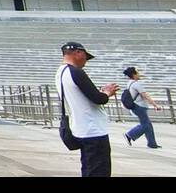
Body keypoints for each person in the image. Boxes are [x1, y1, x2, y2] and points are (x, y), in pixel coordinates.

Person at [56, 41, 118, 177]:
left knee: (89, 168)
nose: (85, 61)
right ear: (78, 53)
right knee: (98, 171)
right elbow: (98, 98)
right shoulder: (76, 72)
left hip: (80, 128)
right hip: (93, 130)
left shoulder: (61, 72)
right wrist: (107, 92)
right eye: (85, 57)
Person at [122, 66, 162, 149]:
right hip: (139, 106)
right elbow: (145, 95)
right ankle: (129, 135)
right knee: (145, 125)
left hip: (138, 106)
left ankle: (152, 143)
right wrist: (155, 105)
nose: (139, 74)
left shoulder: (130, 83)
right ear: (134, 74)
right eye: (137, 72)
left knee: (148, 125)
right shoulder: (136, 84)